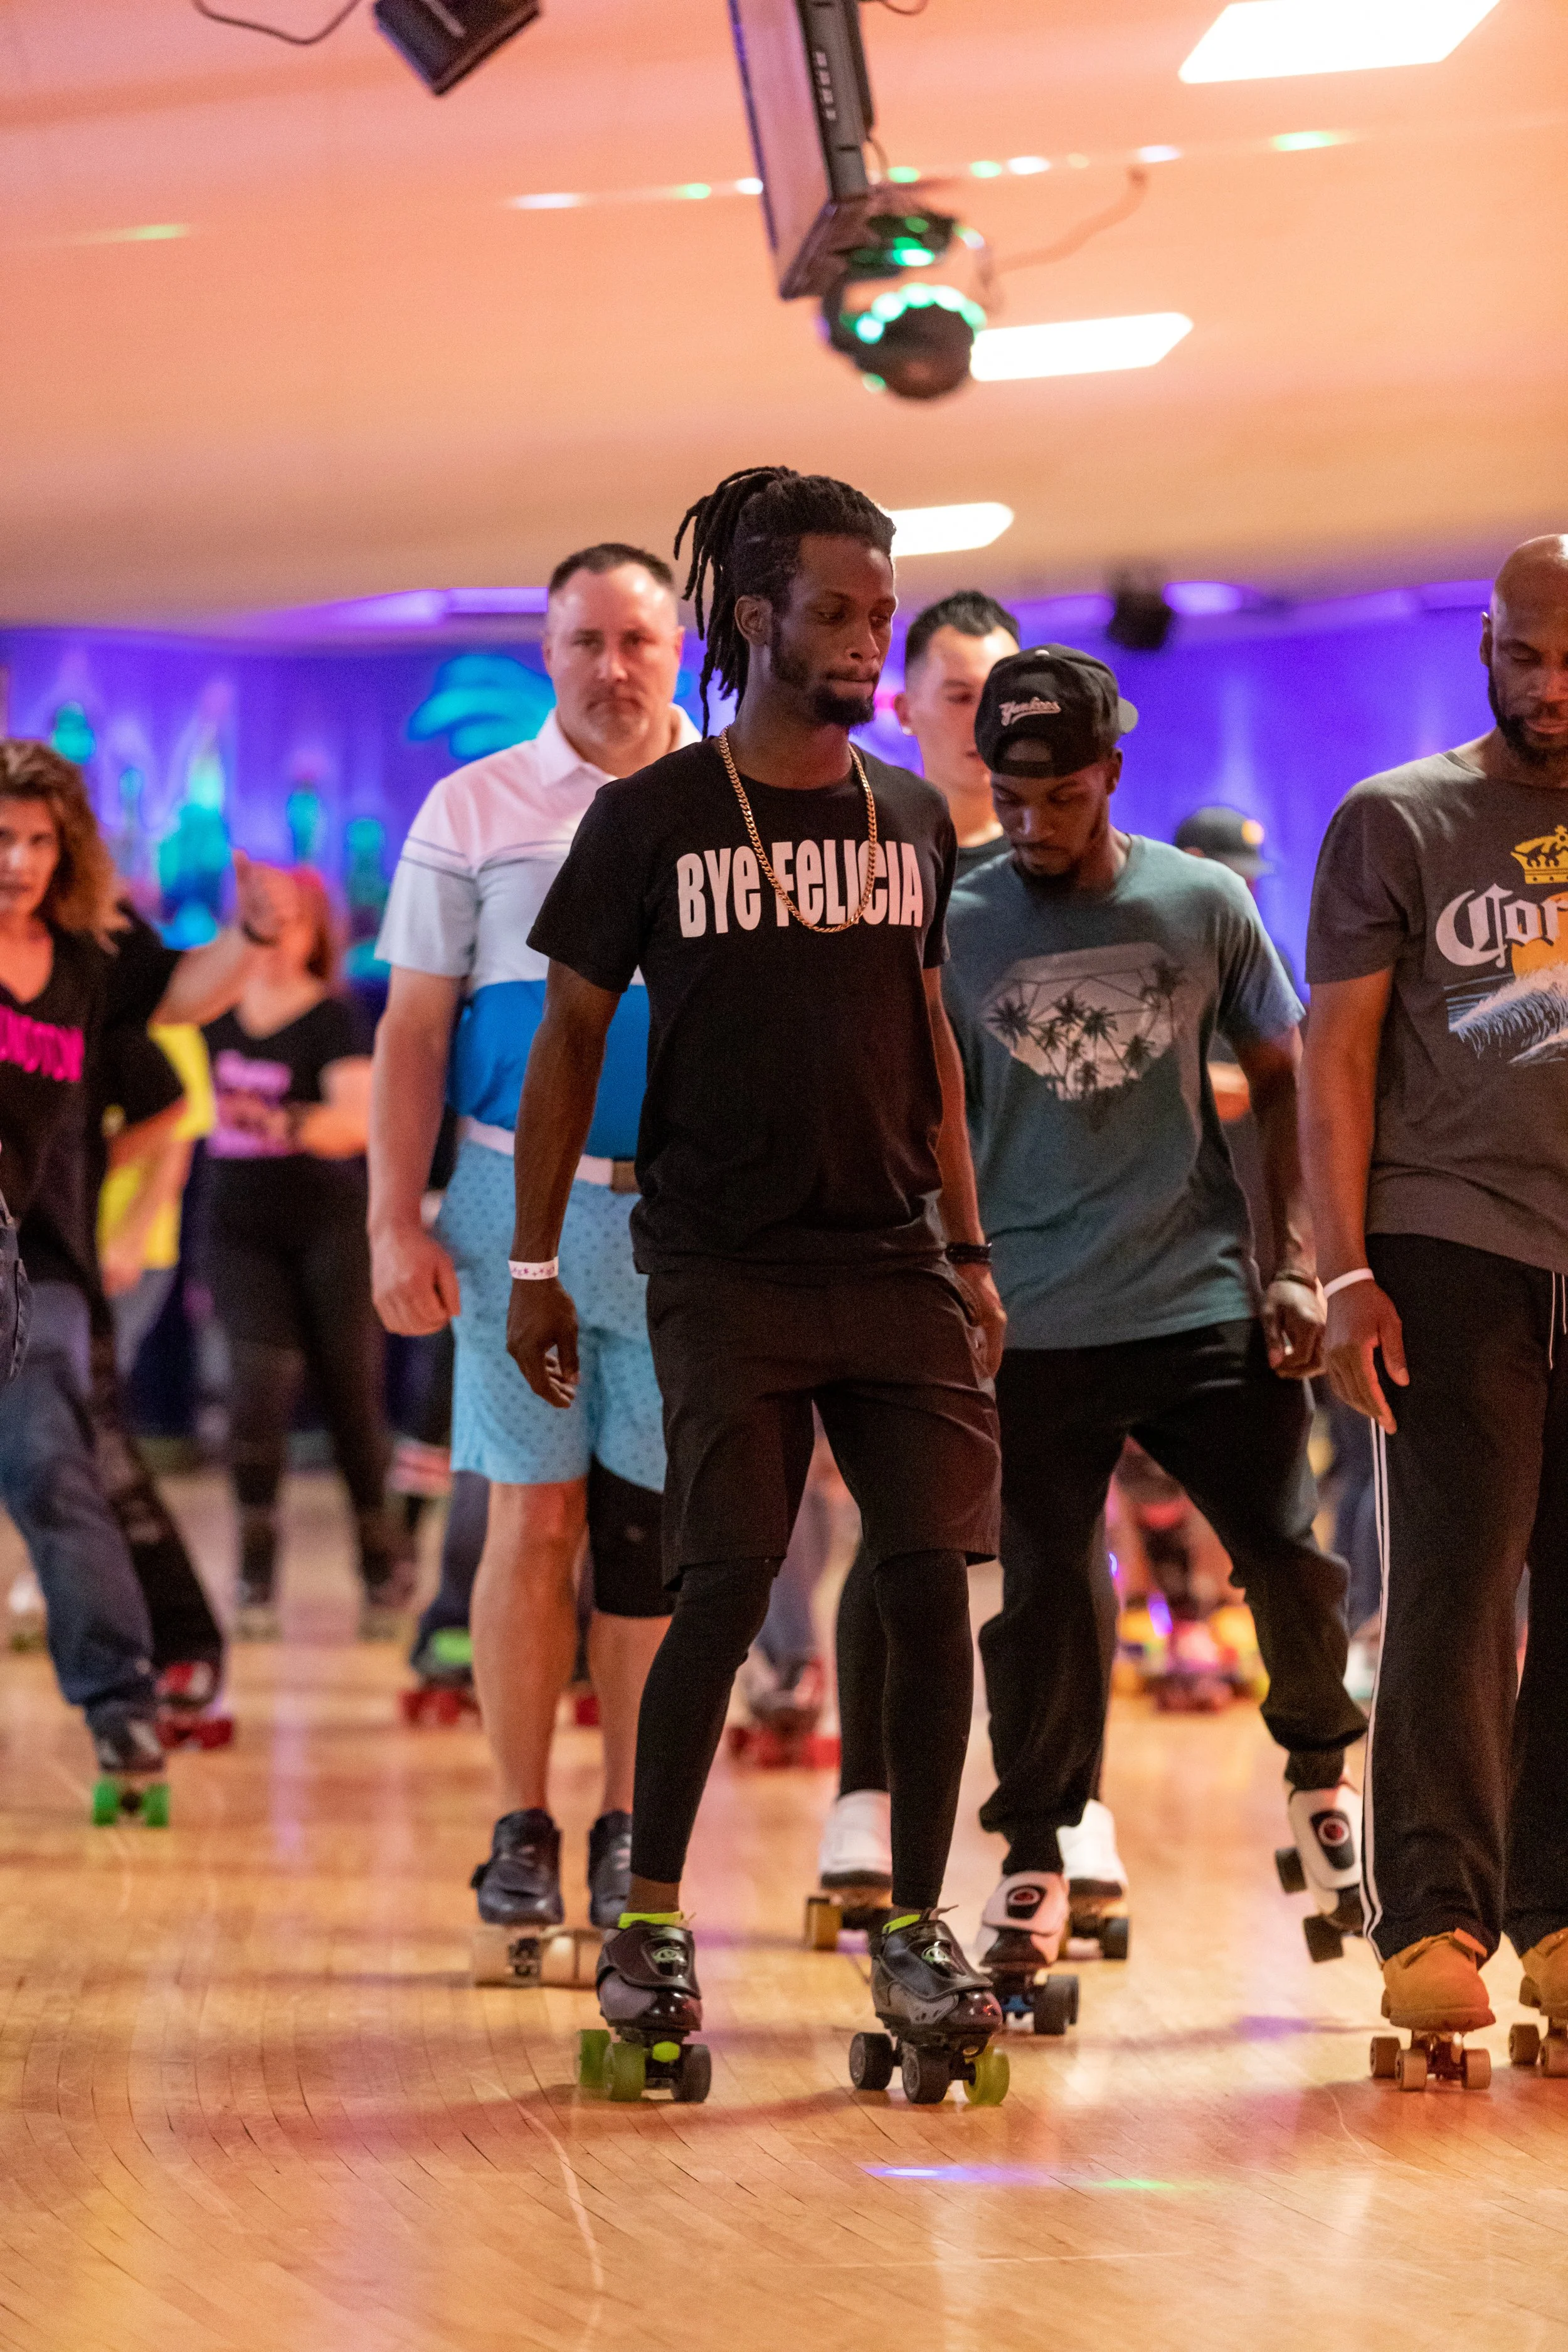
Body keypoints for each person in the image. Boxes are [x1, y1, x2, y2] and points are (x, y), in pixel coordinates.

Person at [509, 465, 1005, 2065]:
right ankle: (649, 1917)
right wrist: (531, 1262)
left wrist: (970, 1240)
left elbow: (926, 1033)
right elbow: (570, 1035)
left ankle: (915, 1924)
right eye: (839, 612)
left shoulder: (912, 814)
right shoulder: (653, 817)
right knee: (718, 1583)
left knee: (931, 1579)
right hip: (717, 1260)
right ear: (756, 616)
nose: (869, 641)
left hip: (891, 1255)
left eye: (883, 613)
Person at [936, 647, 1367, 1974]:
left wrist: (1290, 1258)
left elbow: (1284, 1071)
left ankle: (1315, 1777)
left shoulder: (1199, 904)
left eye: (1056, 796)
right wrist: (956, 1269)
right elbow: (931, 1112)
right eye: (1007, 798)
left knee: (1287, 1560)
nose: (1028, 824)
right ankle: (1032, 1852)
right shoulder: (957, 918)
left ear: (1111, 776)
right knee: (1044, 1603)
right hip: (1033, 1325)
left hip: (1196, 1306)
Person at [370, 544, 690, 1931]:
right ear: (546, 655)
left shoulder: (734, 802)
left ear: (679, 650)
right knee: (530, 1514)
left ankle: (630, 1822)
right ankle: (520, 1824)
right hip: (512, 1200)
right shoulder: (475, 804)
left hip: (686, 1213)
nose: (611, 668)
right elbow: (412, 1029)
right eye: (583, 643)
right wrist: (398, 1217)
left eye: (635, 640)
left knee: (650, 1536)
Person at [1301, 534, 1568, 2042]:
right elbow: (1332, 1056)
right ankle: (1436, 1911)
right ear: (1485, 646)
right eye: (1525, 655)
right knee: (1459, 1584)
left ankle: (1561, 1905)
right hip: (1448, 1240)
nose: (1549, 687)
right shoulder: (1396, 818)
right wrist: (1342, 1268)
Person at [0, 738, 293, 1781]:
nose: (19, 861)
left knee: (51, 1472)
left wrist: (254, 933)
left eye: (38, 841)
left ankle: (122, 1702)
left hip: (42, 1271)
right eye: (2, 839)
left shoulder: (86, 958)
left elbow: (185, 991)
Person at [815, 588, 1021, 1904]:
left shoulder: (1060, 862)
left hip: (1033, 1249)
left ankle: (1055, 1810)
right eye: (959, 698)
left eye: (1002, 701)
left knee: (1037, 1539)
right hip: (893, 1247)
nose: (985, 726)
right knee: (900, 1538)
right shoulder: (870, 842)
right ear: (904, 708)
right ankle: (862, 1797)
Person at [201, 866, 402, 1638]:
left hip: (326, 1228)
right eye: (263, 917)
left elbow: (354, 1123)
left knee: (352, 1400)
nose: (279, 934)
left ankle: (380, 1565)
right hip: (238, 1230)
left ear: (317, 931)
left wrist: (276, 1122)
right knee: (255, 1392)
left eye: (293, 919)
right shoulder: (210, 1016)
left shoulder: (334, 1018)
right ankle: (254, 1574)